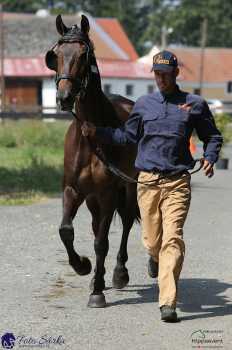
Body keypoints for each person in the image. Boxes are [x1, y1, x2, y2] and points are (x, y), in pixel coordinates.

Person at [81, 50, 223, 322]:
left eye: (165, 74)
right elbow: (126, 135)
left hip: (177, 182)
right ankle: (155, 257)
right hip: (146, 182)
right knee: (152, 241)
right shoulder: (144, 105)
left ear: (176, 74)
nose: (161, 79)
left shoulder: (194, 104)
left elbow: (212, 136)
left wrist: (210, 156)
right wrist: (97, 132)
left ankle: (167, 303)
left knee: (173, 239)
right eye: (157, 74)